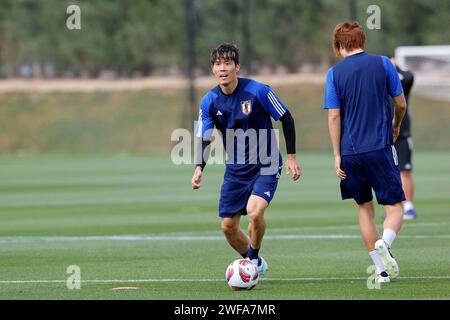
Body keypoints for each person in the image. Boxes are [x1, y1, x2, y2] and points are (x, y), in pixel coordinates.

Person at [192, 43, 301, 276]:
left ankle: (250, 261)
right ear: (212, 69)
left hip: (267, 163)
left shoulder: (259, 91)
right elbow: (204, 136)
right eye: (218, 64)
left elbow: (287, 118)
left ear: (237, 67)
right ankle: (256, 262)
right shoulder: (209, 101)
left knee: (254, 212)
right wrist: (199, 167)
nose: (223, 68)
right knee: (228, 227)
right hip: (236, 169)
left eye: (227, 64)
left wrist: (291, 156)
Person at [323, 22, 407, 283]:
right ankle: (386, 242)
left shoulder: (333, 74)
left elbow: (334, 116)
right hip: (380, 147)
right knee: (394, 207)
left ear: (338, 46)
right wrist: (396, 124)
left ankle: (381, 271)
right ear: (363, 40)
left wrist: (337, 154)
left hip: (350, 153)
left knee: (363, 209)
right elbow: (401, 103)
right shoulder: (383, 63)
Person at [390, 56, 417, 220]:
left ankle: (409, 206)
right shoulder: (381, 78)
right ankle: (394, 205)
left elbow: (408, 77)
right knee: (388, 171)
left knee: (404, 170)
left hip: (402, 132)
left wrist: (395, 68)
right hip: (384, 133)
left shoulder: (402, 77)